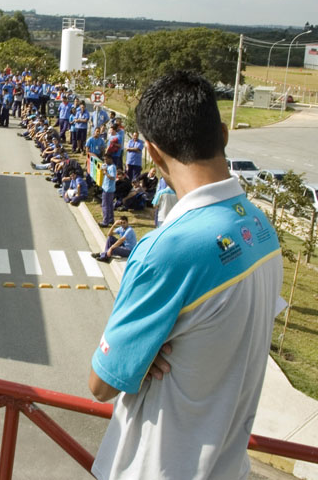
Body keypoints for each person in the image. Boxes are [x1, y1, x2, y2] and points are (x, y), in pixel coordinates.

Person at [88, 71, 283, 480]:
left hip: (156, 467)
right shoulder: (262, 230)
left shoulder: (167, 249)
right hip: (228, 466)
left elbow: (102, 383)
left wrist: (141, 354)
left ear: (153, 154)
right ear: (224, 135)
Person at [99, 155, 117, 227]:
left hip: (108, 189)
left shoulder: (112, 167)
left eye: (106, 159)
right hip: (108, 188)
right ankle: (111, 219)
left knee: (105, 205)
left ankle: (105, 221)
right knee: (110, 205)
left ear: (110, 159)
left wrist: (106, 172)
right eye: (104, 159)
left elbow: (112, 177)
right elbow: (101, 167)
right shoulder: (108, 166)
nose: (105, 161)